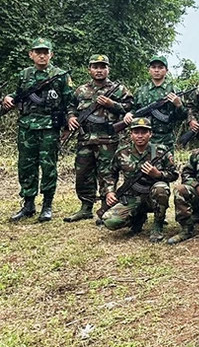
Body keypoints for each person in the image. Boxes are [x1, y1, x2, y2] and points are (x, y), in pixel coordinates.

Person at [4, 38, 73, 222]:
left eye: (45, 52)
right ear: (31, 54)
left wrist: (67, 126)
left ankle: (47, 205)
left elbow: (69, 102)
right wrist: (9, 98)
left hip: (49, 127)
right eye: (38, 52)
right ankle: (28, 204)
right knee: (26, 166)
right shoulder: (24, 75)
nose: (42, 55)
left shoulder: (60, 75)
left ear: (51, 54)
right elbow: (17, 94)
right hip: (27, 127)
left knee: (48, 166)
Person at [65, 54, 133, 223]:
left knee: (107, 174)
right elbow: (71, 107)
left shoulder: (119, 89)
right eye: (95, 67)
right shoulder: (81, 90)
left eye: (103, 67)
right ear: (90, 69)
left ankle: (106, 207)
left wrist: (112, 104)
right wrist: (71, 117)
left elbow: (131, 108)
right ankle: (85, 207)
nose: (99, 70)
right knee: (83, 174)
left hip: (108, 139)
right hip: (85, 138)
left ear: (108, 69)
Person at [102, 118, 178, 242]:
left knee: (161, 188)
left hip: (152, 197)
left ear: (150, 134)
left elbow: (174, 175)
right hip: (131, 197)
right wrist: (110, 191)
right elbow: (110, 173)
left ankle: (157, 225)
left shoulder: (160, 151)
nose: (140, 136)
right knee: (110, 221)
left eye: (144, 132)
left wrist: (158, 174)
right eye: (136, 132)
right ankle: (137, 218)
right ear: (131, 134)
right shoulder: (122, 153)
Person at [122, 56, 188, 152]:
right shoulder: (140, 91)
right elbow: (133, 109)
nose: (157, 70)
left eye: (160, 67)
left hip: (166, 139)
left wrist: (179, 105)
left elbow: (183, 116)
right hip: (143, 138)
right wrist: (129, 114)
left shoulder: (174, 90)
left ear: (166, 70)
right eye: (153, 67)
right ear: (149, 70)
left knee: (166, 166)